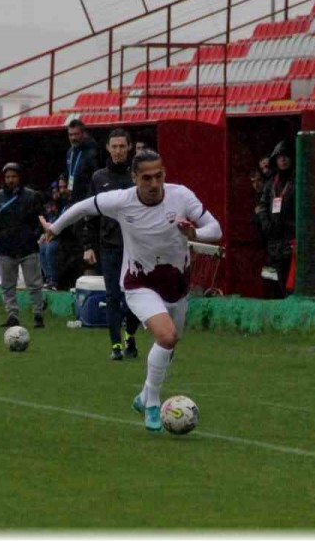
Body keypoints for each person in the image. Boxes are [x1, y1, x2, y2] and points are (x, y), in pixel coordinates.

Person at [41, 150, 222, 431]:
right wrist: (55, 227)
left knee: (170, 344)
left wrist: (195, 235)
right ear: (134, 178)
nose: (154, 184)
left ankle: (144, 397)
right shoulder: (122, 200)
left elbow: (216, 229)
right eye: (146, 178)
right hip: (140, 283)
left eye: (158, 176)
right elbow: (82, 207)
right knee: (166, 335)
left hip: (176, 285)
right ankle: (152, 403)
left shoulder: (181, 196)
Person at [86, 128, 142, 360]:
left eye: (122, 146)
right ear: (107, 148)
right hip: (110, 244)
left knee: (136, 293)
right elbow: (89, 213)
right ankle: (115, 345)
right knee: (112, 295)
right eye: (114, 146)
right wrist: (88, 246)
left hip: (137, 245)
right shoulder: (99, 178)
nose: (118, 151)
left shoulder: (138, 175)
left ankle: (130, 334)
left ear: (129, 148)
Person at [0, 162, 47, 329]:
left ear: (20, 177)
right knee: (7, 286)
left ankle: (38, 314)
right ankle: (12, 315)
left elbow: (41, 219)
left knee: (35, 284)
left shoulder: (32, 197)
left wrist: (34, 236)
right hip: (6, 250)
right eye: (8, 177)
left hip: (28, 248)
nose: (10, 180)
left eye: (14, 177)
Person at [254, 140, 296, 299]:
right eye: (280, 157)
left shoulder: (297, 180)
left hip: (291, 238)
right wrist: (266, 225)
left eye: (286, 156)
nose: (283, 160)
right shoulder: (271, 184)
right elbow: (263, 206)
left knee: (292, 279)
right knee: (278, 277)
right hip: (274, 239)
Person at [40, 182, 64, 290]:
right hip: (53, 234)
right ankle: (48, 279)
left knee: (51, 247)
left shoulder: (64, 204)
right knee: (42, 245)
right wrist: (45, 234)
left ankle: (55, 281)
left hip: (65, 236)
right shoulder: (50, 206)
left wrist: (50, 232)